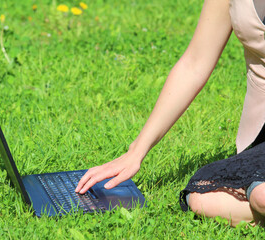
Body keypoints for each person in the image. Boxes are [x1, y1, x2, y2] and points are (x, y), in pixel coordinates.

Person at [75, 0, 265, 227]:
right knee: (202, 199)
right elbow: (195, 63)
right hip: (259, 130)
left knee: (260, 197)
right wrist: (135, 152)